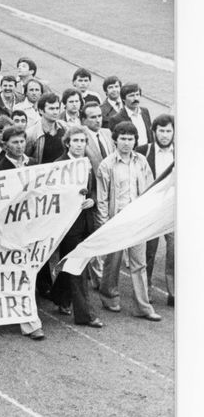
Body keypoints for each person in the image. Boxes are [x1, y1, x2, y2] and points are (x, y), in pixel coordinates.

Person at [95, 122, 160, 322]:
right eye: (122, 138)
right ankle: (109, 295)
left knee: (139, 264)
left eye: (130, 139)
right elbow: (102, 198)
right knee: (112, 262)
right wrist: (104, 224)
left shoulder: (141, 161)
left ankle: (143, 306)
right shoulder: (107, 165)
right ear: (115, 140)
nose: (126, 142)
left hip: (137, 219)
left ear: (135, 140)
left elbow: (149, 191)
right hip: (116, 220)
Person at [0, 127, 46, 340]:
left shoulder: (34, 164)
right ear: (5, 145)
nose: (19, 146)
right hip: (10, 230)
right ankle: (29, 322)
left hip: (31, 227)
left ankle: (27, 316)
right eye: (14, 142)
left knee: (27, 272)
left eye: (22, 141)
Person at [50, 126, 103, 327]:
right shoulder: (59, 165)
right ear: (67, 143)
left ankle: (60, 297)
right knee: (78, 266)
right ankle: (85, 315)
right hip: (67, 224)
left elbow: (95, 190)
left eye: (83, 141)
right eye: (76, 141)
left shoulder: (88, 163)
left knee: (72, 262)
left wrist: (92, 200)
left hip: (85, 220)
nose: (80, 145)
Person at [137, 114, 175, 305]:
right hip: (150, 210)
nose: (165, 135)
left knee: (175, 251)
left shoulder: (183, 153)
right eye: (161, 130)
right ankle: (146, 289)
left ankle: (174, 292)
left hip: (173, 210)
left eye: (169, 131)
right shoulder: (143, 151)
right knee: (148, 252)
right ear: (154, 132)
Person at [108, 83, 152, 147]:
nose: (135, 98)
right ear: (123, 99)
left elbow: (150, 134)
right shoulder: (116, 119)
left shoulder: (145, 112)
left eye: (137, 94)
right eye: (131, 96)